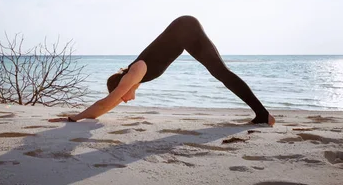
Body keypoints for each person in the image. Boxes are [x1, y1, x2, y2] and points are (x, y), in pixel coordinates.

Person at [49, 15, 275, 125]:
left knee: (221, 73)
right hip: (185, 33)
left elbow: (106, 103)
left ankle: (263, 115)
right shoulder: (137, 75)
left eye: (120, 95)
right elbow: (107, 105)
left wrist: (74, 118)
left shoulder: (135, 71)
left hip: (186, 28)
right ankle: (262, 115)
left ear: (121, 85)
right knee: (220, 73)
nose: (124, 101)